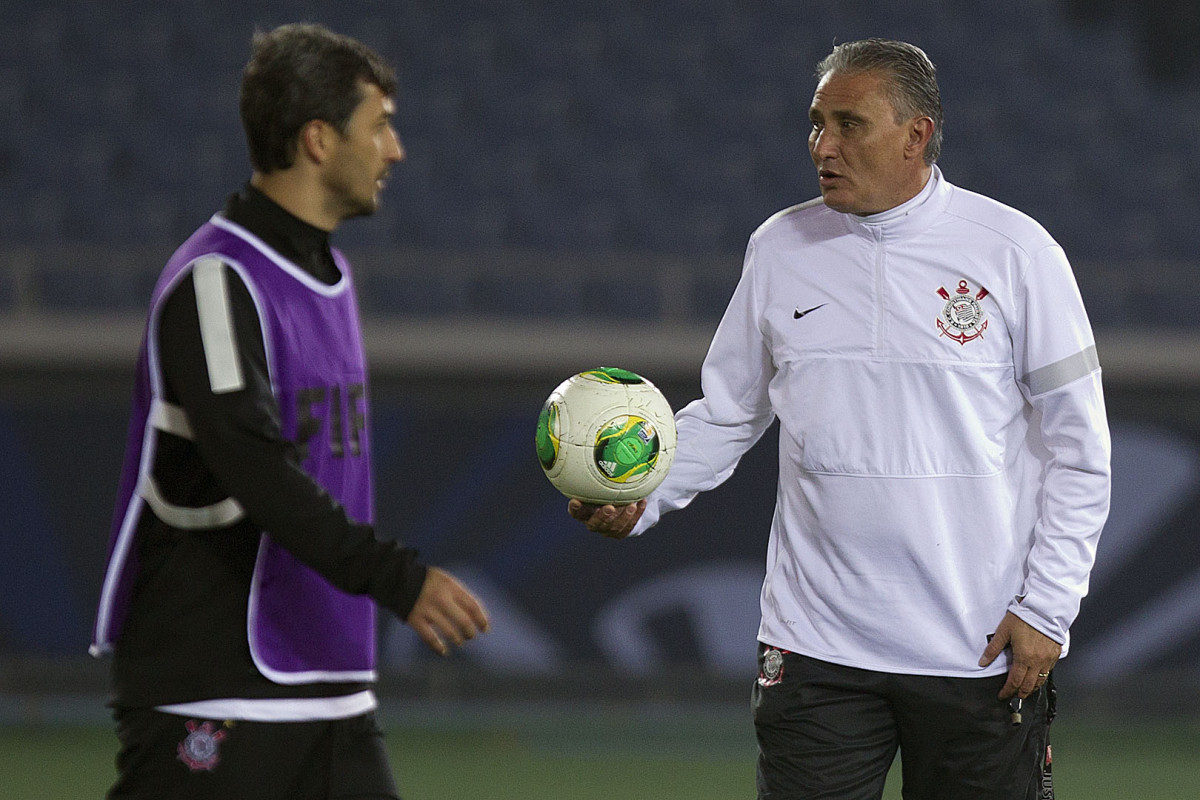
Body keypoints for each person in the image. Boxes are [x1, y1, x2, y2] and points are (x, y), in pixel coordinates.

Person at [570, 38, 1111, 799]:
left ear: (916, 135)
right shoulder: (780, 246)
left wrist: (1047, 607)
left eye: (849, 124)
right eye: (817, 124)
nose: (824, 146)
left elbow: (1079, 451)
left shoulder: (1017, 253)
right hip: (815, 644)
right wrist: (643, 494)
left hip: (977, 647)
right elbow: (728, 415)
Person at [90, 23, 490, 799]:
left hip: (329, 680)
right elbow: (254, 468)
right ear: (317, 139)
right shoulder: (217, 280)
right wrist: (398, 579)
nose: (395, 150)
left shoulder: (329, 275)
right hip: (214, 680)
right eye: (379, 126)